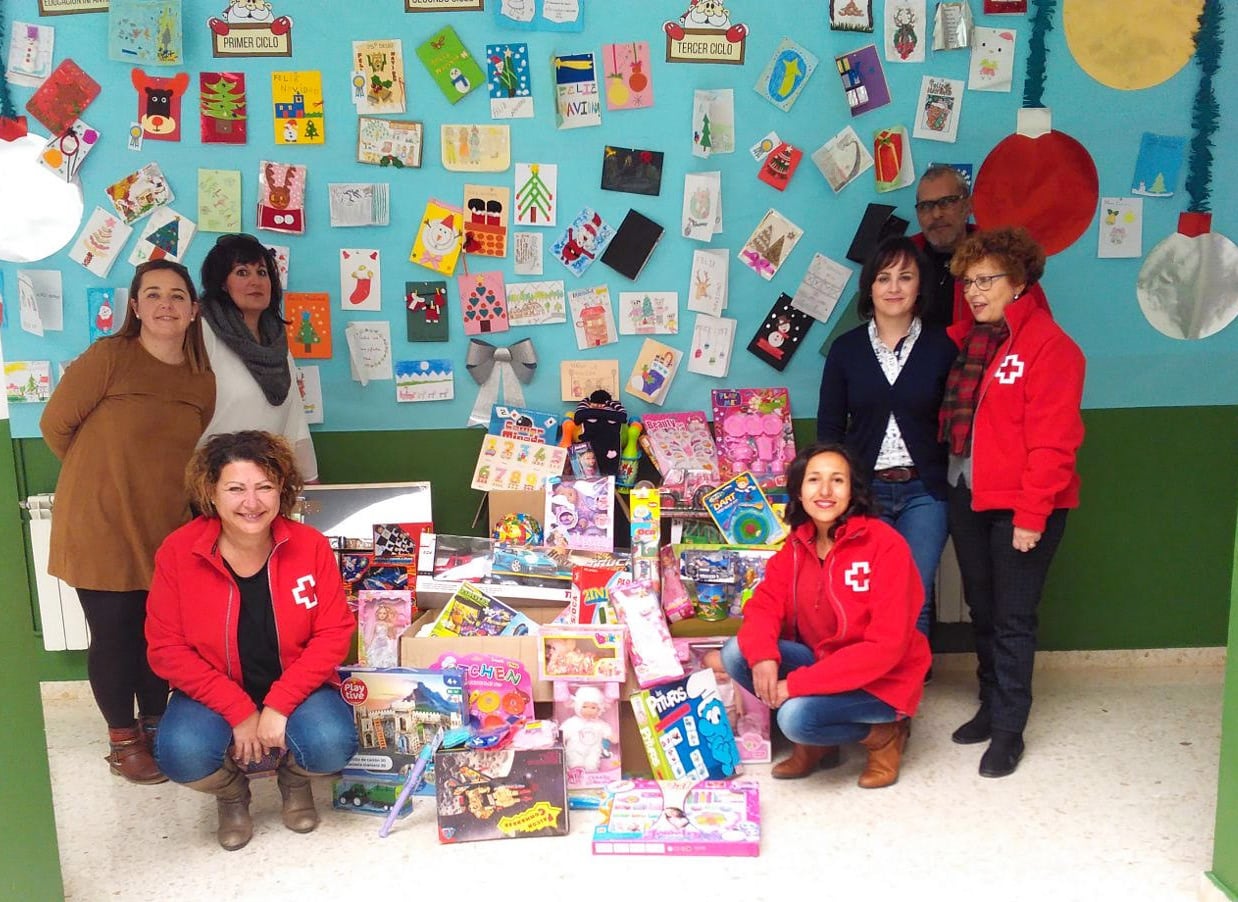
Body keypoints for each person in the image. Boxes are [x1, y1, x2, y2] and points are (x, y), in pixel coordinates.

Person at [40, 260, 214, 785]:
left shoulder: (202, 380)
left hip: (165, 526)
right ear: (135, 307)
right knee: (115, 635)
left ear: (193, 310)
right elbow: (55, 426)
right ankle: (123, 741)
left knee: (159, 636)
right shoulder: (109, 357)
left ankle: (157, 726)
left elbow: (184, 453)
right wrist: (101, 478)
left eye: (177, 295)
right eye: (153, 294)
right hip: (100, 524)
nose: (166, 304)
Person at [146, 431, 356, 850]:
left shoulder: (310, 546)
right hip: (213, 689)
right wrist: (240, 711)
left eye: (265, 487)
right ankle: (231, 795)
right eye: (235, 489)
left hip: (296, 684)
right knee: (180, 753)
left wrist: (279, 704)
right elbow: (166, 649)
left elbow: (333, 633)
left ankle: (294, 781)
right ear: (211, 492)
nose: (252, 502)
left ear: (282, 491)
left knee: (332, 744)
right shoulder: (178, 551)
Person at [941, 227, 1085, 778]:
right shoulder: (973, 342)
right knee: (983, 609)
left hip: (1023, 507)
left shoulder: (1051, 346)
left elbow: (1054, 442)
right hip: (968, 493)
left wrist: (1032, 516)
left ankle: (1008, 730)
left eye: (986, 280)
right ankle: (990, 703)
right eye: (968, 282)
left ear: (1019, 282)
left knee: (1013, 618)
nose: (974, 292)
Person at [721, 443, 930, 788]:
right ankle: (821, 746)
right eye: (814, 479)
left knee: (795, 718)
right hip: (824, 663)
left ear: (853, 491)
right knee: (737, 652)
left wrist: (795, 686)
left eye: (838, 480)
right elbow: (763, 606)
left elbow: (886, 648)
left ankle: (884, 735)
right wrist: (762, 657)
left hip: (882, 679)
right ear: (799, 491)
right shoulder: (795, 545)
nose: (825, 491)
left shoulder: (885, 545)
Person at [817, 235, 958, 640]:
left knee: (914, 594)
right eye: (883, 278)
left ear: (920, 286)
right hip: (866, 492)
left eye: (905, 277)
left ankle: (912, 677)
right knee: (871, 595)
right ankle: (876, 671)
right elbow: (829, 429)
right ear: (870, 287)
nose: (894, 287)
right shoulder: (846, 350)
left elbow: (958, 424)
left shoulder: (943, 347)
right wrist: (833, 496)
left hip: (925, 492)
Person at [198, 233, 318, 480]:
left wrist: (310, 481)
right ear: (223, 284)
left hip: (266, 482)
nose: (256, 281)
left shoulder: (277, 343)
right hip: (213, 481)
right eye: (242, 272)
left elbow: (295, 420)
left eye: (262, 273)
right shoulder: (202, 333)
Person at [911, 164, 976, 328]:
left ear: (967, 206)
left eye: (946, 202)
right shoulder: (903, 258)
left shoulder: (999, 257)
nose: (936, 214)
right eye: (926, 206)